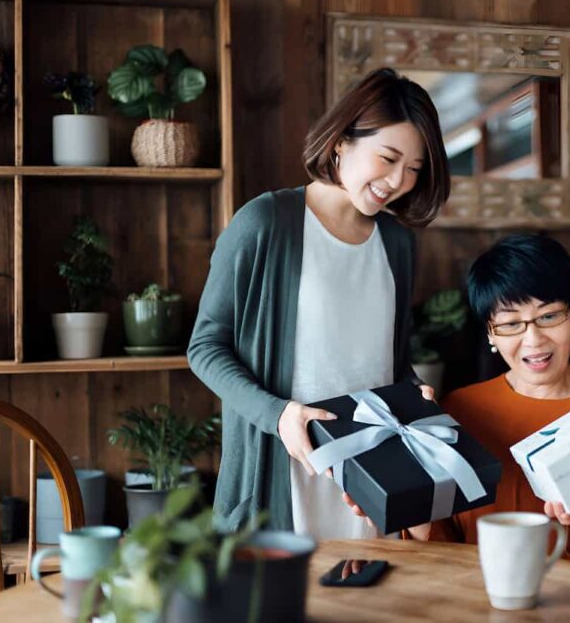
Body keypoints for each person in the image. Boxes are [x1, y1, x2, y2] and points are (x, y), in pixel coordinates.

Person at [188, 68, 450, 539]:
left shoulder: (397, 244)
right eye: (387, 158)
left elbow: (387, 363)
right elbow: (205, 347)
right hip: (282, 477)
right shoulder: (264, 223)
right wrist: (279, 414)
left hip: (370, 485)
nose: (397, 181)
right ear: (341, 142)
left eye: (413, 169)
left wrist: (415, 392)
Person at [348, 234, 570, 593]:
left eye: (549, 316)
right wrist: (408, 508)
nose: (533, 340)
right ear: (490, 333)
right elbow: (445, 547)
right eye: (511, 324)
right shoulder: (459, 411)